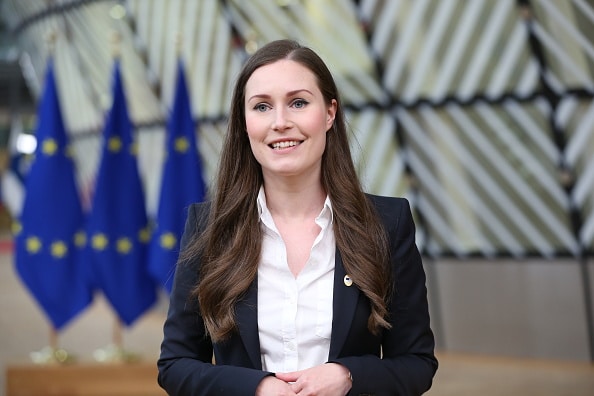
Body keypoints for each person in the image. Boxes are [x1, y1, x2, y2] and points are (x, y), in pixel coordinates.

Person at [157, 39, 438, 396]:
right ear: (244, 123)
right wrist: (257, 389)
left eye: (298, 103)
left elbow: (417, 363)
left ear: (330, 113)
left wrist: (348, 376)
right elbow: (175, 365)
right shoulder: (210, 228)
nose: (280, 122)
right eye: (261, 107)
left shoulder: (386, 223)